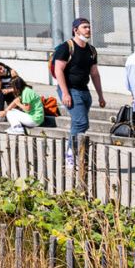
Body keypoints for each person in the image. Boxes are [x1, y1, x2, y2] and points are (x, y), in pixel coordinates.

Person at [52, 17, 105, 167]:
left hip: (84, 91)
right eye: (84, 27)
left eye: (89, 27)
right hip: (70, 90)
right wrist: (65, 93)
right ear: (75, 30)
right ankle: (71, 153)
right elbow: (58, 70)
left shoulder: (91, 50)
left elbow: (94, 73)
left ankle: (73, 152)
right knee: (81, 122)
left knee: (79, 123)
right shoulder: (66, 47)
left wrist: (100, 95)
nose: (88, 30)